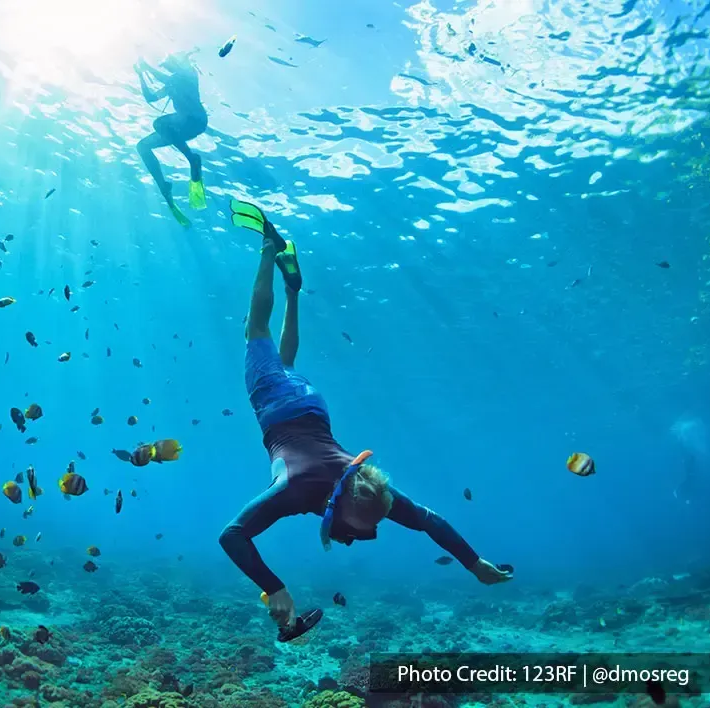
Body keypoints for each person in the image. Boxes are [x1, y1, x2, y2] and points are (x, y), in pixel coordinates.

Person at [219, 199, 514, 633]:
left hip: (312, 405)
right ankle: (267, 247)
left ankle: (293, 291)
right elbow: (231, 535)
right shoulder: (299, 489)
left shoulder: (366, 494)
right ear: (338, 506)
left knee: (286, 361)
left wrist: (475, 565)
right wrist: (274, 587)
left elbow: (431, 522)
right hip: (280, 407)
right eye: (356, 530)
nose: (357, 538)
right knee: (256, 332)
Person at [134, 53, 208, 227]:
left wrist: (146, 66)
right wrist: (140, 75)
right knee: (142, 146)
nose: (167, 68)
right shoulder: (171, 82)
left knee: (159, 124)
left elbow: (163, 77)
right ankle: (163, 185)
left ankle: (191, 157)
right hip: (180, 126)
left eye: (169, 65)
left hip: (195, 120)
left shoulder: (189, 73)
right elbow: (151, 97)